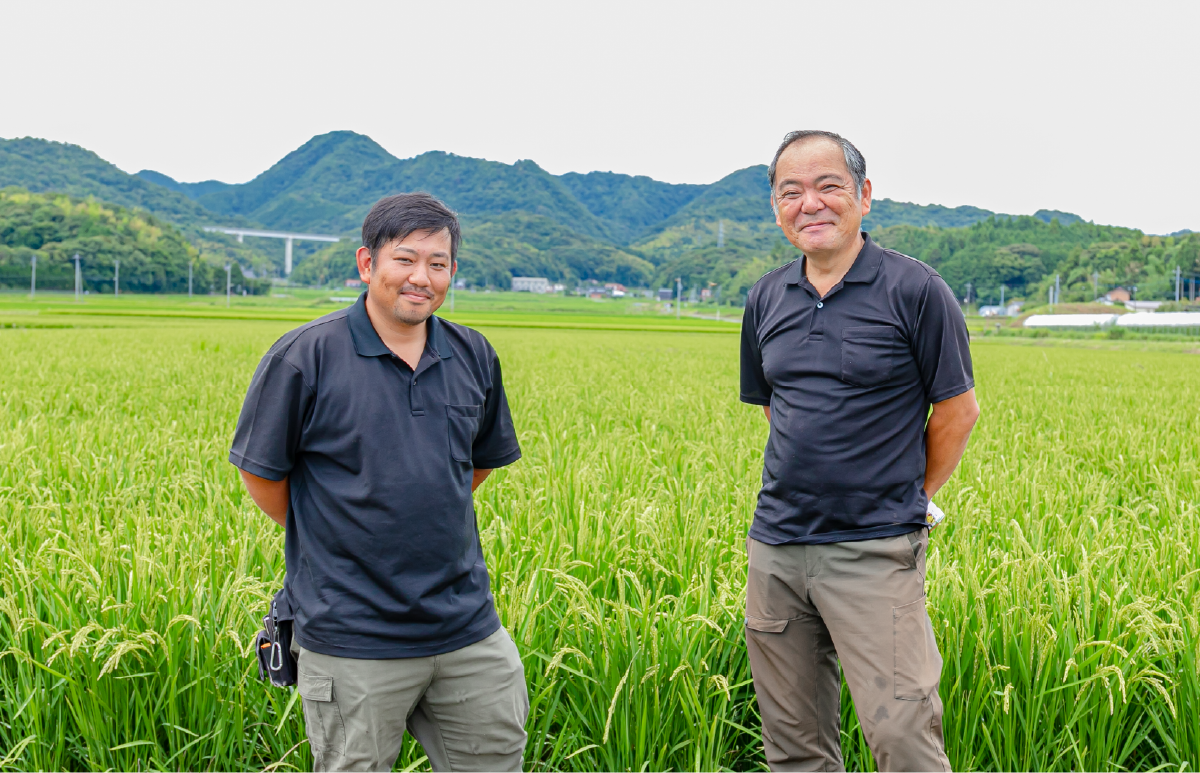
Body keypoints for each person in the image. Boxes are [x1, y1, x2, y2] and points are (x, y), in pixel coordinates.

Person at [230, 193, 528, 773]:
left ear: (451, 273)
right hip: (352, 636)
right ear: (368, 264)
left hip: (467, 629)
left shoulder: (473, 354)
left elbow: (475, 465)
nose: (422, 277)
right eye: (405, 260)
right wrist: (334, 525)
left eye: (437, 264)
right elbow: (261, 474)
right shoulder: (305, 356)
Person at [740, 130, 980, 772]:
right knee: (794, 746)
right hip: (778, 549)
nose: (810, 203)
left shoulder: (915, 290)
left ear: (864, 196)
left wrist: (909, 497)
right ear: (776, 206)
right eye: (791, 192)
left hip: (875, 551)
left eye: (829, 187)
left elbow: (957, 413)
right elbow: (777, 409)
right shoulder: (766, 297)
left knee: (902, 736)